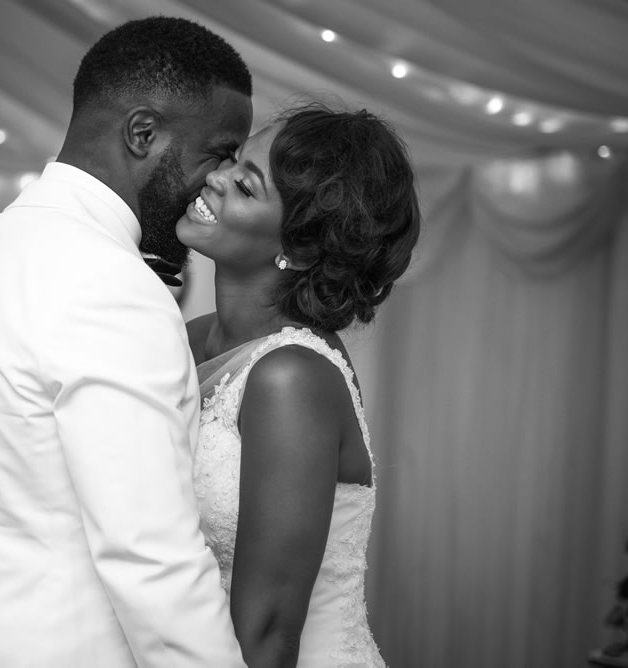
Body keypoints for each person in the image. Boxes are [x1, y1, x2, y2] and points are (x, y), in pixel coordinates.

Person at [0, 16, 253, 668]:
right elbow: (153, 560)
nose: (221, 182)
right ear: (143, 134)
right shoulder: (110, 284)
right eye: (219, 152)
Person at [178, 104, 420, 667]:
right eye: (232, 160)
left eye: (245, 183)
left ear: (301, 245)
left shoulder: (291, 377)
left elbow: (268, 629)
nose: (214, 176)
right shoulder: (188, 339)